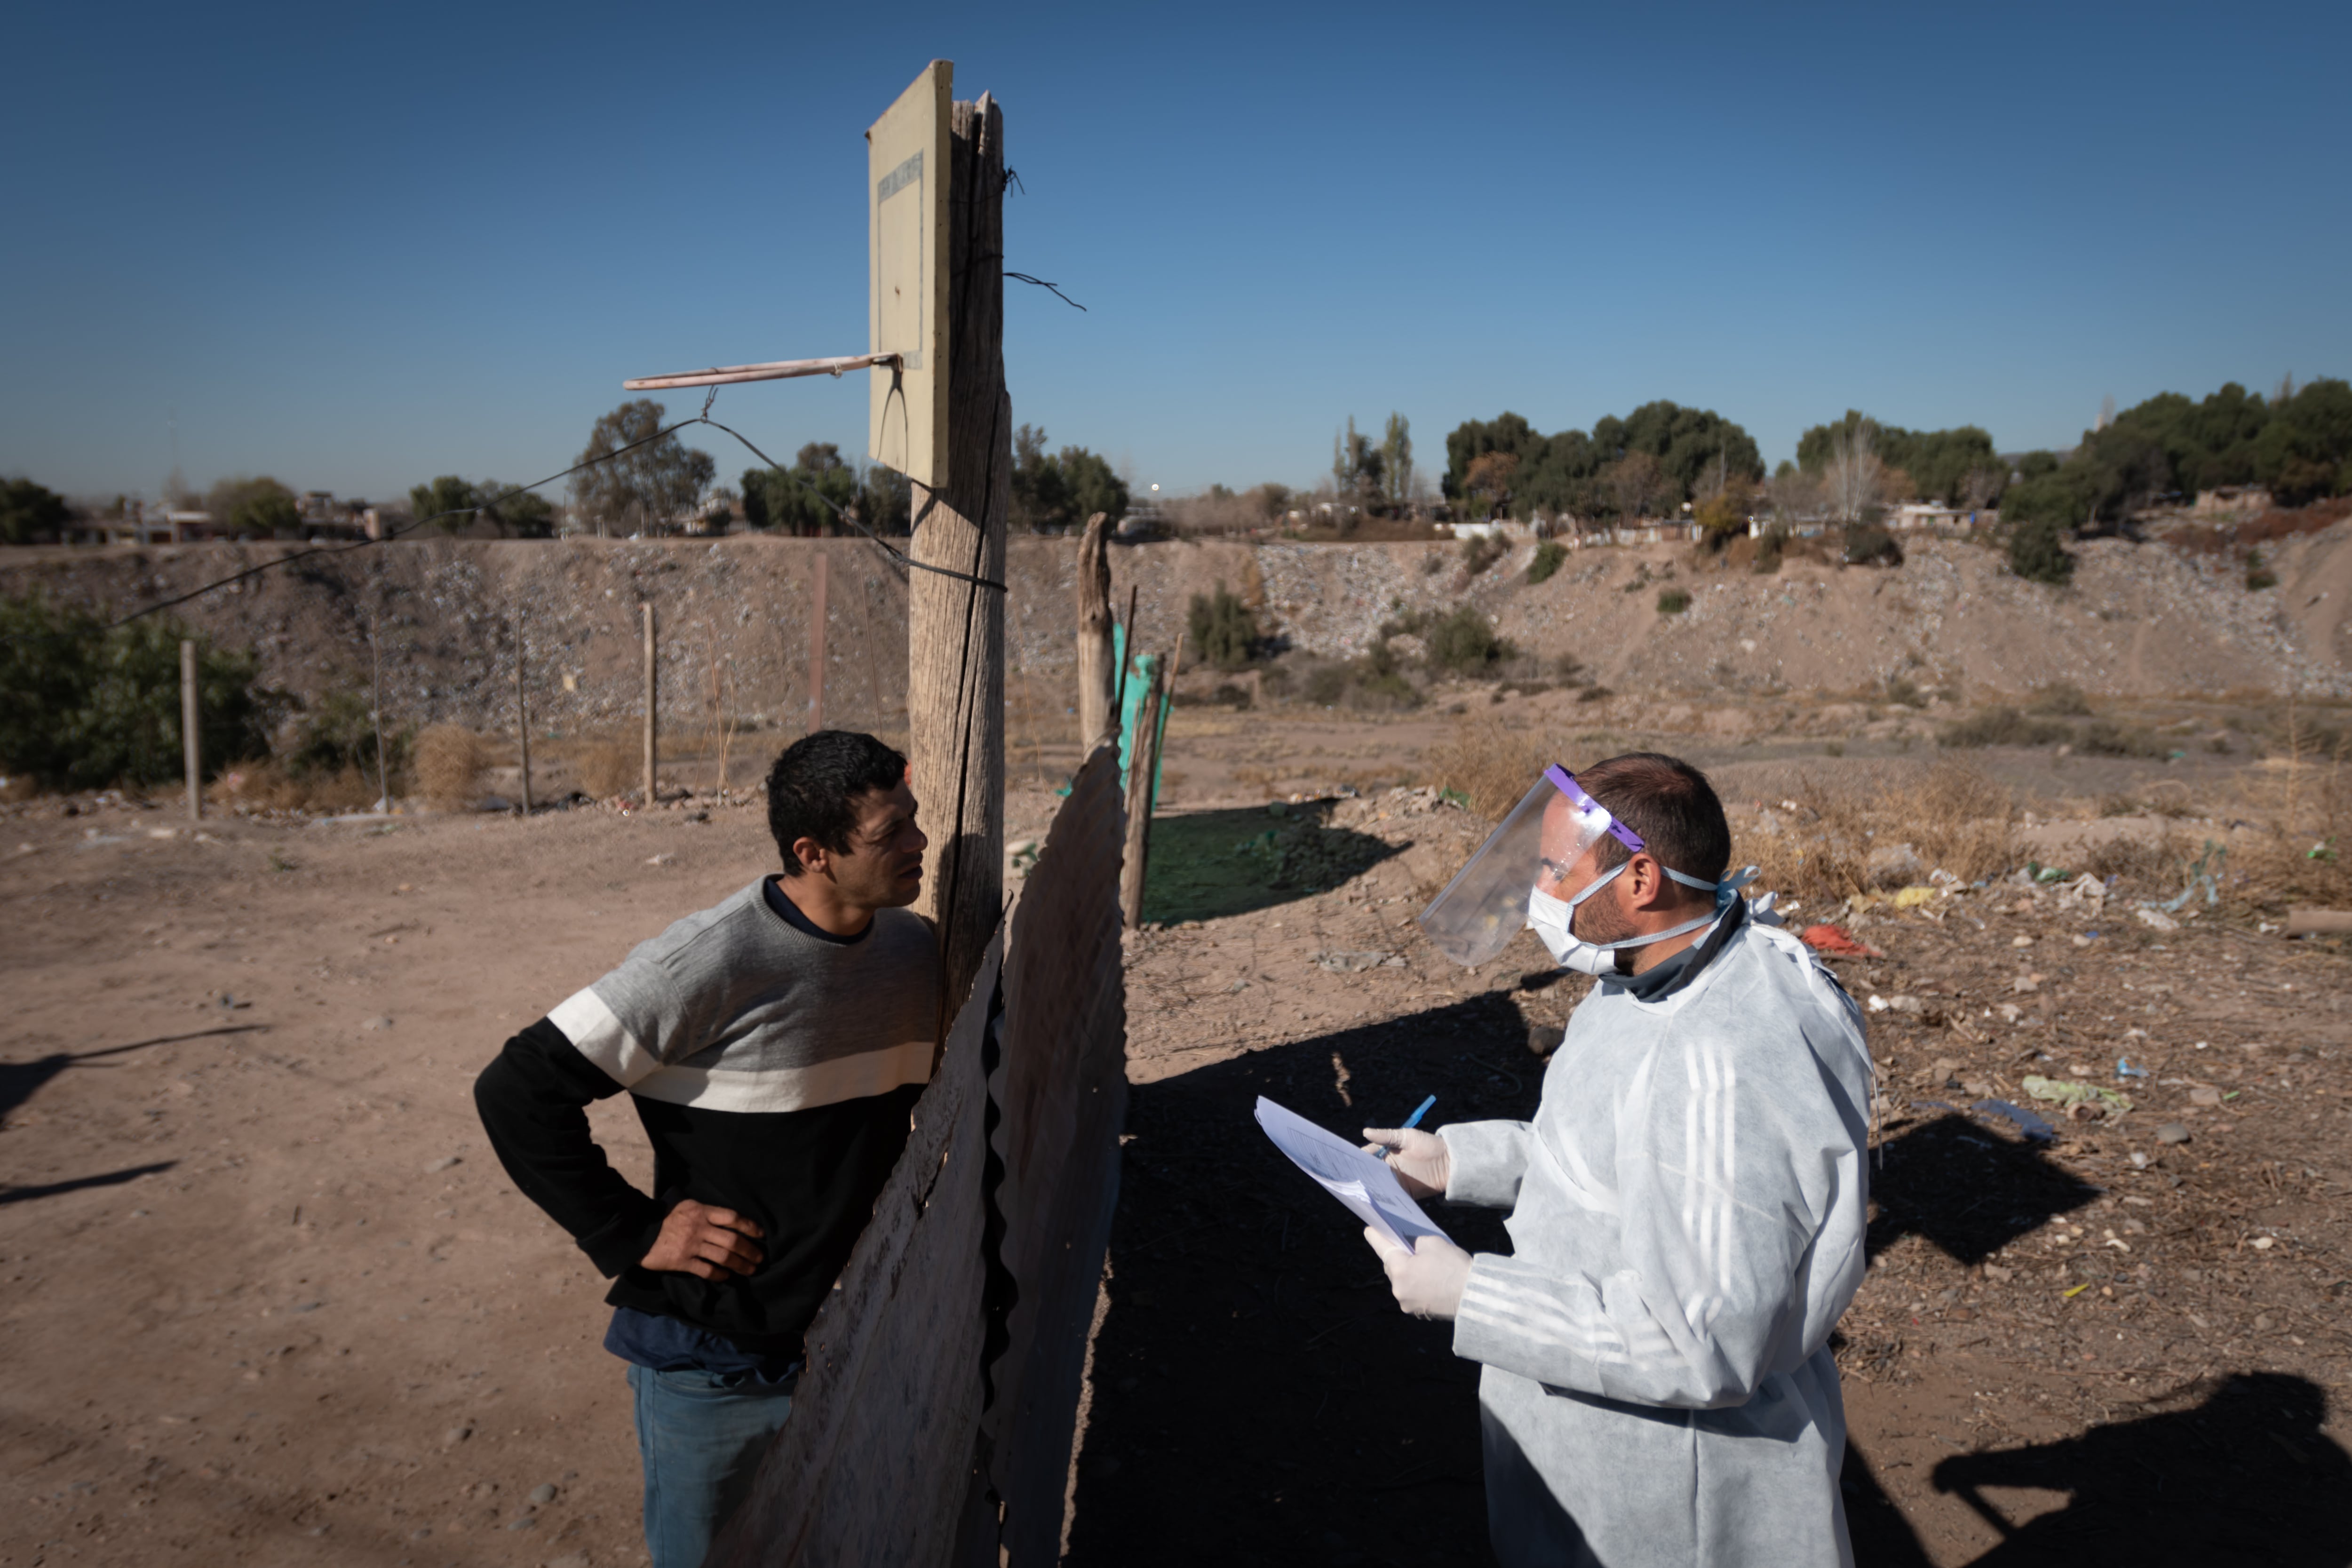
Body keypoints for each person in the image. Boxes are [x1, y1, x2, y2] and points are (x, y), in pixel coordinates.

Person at [1366, 752, 1872, 1567]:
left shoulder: (1720, 1057)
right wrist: (1457, 1161)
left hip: (1673, 1496)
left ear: (1641, 879)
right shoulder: (1647, 972)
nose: (1536, 892)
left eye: (1552, 869)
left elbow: (1699, 1346)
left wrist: (1474, 1294)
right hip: (1587, 1449)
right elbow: (1597, 1156)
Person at [473, 730, 938, 1568]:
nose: (919, 843)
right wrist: (634, 1230)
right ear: (815, 853)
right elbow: (515, 1090)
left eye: (913, 820)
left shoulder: (915, 953)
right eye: (889, 834)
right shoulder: (712, 957)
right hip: (715, 1362)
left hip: (855, 1341)